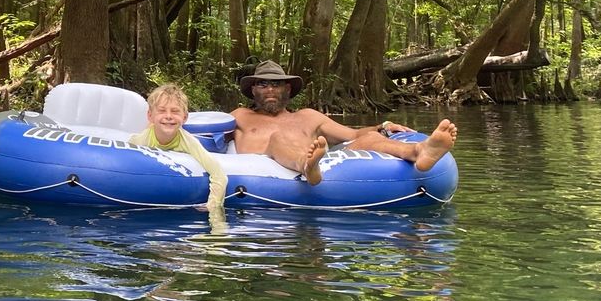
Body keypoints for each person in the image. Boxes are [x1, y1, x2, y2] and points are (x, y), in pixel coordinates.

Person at [229, 60, 458, 185]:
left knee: (369, 138)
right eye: (262, 84)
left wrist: (383, 126)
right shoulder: (239, 115)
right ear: (252, 89)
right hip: (268, 168)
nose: (270, 89)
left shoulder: (308, 116)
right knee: (277, 138)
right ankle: (306, 164)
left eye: (276, 84)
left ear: (287, 88)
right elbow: (203, 136)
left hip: (321, 165)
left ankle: (419, 151)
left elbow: (354, 135)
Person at [129, 83, 228, 209]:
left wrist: (212, 205)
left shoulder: (188, 141)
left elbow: (219, 174)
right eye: (162, 110)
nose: (169, 116)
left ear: (185, 117)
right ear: (150, 116)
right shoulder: (140, 140)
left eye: (175, 111)